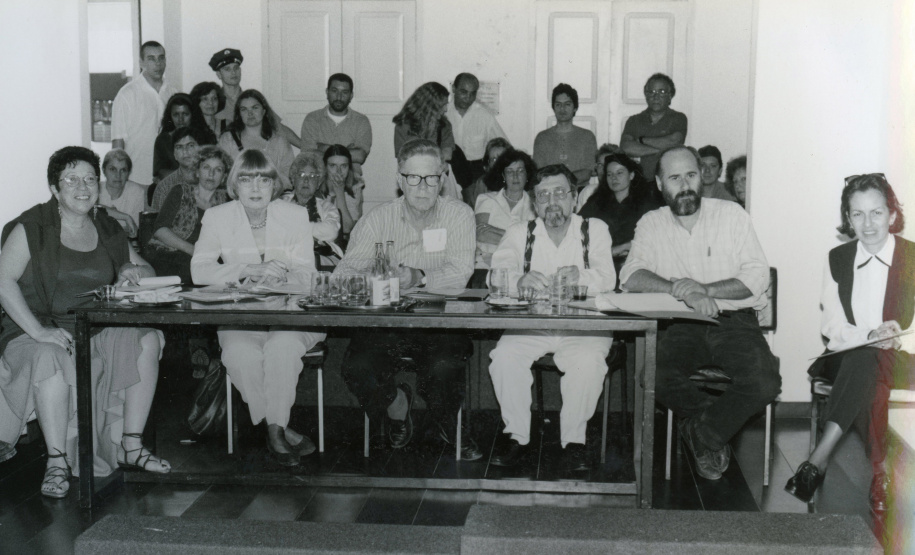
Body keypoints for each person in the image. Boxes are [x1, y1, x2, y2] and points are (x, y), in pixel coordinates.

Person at [0, 146, 170, 499]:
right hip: (36, 328)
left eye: (90, 179)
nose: (82, 187)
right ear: (54, 187)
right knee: (49, 355)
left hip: (93, 327)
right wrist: (39, 332)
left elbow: (148, 271)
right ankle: (57, 461)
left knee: (147, 338)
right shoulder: (32, 227)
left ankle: (131, 445)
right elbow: (3, 281)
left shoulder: (106, 226)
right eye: (71, 180)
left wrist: (130, 269)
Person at [620, 146, 780, 481]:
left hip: (735, 322)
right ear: (660, 184)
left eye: (691, 175)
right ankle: (712, 429)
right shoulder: (652, 223)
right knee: (653, 376)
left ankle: (700, 433)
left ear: (703, 177)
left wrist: (705, 290)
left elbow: (756, 276)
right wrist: (681, 290)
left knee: (765, 383)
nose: (685, 186)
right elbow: (630, 275)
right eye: (675, 178)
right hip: (681, 324)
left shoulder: (731, 214)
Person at [334, 139, 480, 460]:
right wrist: (375, 280)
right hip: (387, 320)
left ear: (443, 179)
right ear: (400, 179)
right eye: (414, 177)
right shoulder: (377, 219)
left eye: (431, 178)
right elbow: (343, 274)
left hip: (440, 320)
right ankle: (397, 405)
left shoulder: (459, 215)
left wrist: (418, 277)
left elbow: (460, 274)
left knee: (444, 366)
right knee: (357, 367)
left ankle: (445, 420)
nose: (423, 187)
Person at [786, 174, 914, 512]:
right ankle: (880, 475)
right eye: (858, 214)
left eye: (876, 212)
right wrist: (869, 337)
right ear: (848, 217)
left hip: (903, 357)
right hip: (848, 355)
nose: (867, 223)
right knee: (865, 360)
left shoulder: (913, 257)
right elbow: (832, 325)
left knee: (868, 366)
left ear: (892, 214)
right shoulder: (838, 258)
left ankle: (817, 460)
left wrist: (896, 335)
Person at [191, 149, 325, 467]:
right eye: (246, 179)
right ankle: (277, 427)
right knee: (239, 354)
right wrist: (246, 269)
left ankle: (274, 434)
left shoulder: (295, 215)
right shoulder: (217, 217)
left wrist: (283, 275)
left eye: (263, 180)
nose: (255, 188)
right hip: (242, 316)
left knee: (281, 348)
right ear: (233, 184)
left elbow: (308, 275)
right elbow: (199, 271)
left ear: (274, 185)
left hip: (292, 316)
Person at [487, 164, 617, 473]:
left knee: (587, 361)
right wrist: (519, 280)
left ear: (574, 197)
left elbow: (609, 278)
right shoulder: (520, 232)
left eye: (560, 193)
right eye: (543, 195)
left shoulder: (594, 229)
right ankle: (516, 436)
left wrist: (580, 276)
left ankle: (574, 442)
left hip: (584, 325)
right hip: (533, 322)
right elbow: (495, 276)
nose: (552, 202)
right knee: (504, 356)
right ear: (535, 202)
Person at [145, 145, 231, 283]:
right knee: (195, 272)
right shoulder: (180, 192)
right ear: (197, 171)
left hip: (204, 260)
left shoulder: (226, 202)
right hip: (168, 254)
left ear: (224, 177)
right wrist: (194, 251)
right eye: (206, 167)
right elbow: (160, 230)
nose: (211, 174)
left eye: (218, 169)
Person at [578, 152, 661, 275]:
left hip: (637, 265)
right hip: (602, 264)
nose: (614, 178)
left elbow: (656, 240)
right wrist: (616, 249)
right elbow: (577, 228)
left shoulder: (647, 202)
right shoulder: (596, 202)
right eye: (609, 174)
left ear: (631, 175)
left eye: (619, 173)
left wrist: (626, 247)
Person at [111, 41, 179, 188]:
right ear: (141, 62)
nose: (158, 63)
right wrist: (120, 178)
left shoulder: (173, 93)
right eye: (151, 58)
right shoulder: (127, 94)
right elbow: (118, 142)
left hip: (168, 178)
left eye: (161, 58)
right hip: (135, 178)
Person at [209, 48, 303, 150]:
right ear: (219, 74)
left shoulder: (252, 99)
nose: (233, 72)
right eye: (227, 69)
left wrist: (305, 147)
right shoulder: (212, 102)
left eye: (236, 68)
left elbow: (278, 127)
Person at [218, 89, 295, 190]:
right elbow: (221, 172)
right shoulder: (228, 140)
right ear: (239, 114)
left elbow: (289, 176)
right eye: (244, 109)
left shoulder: (279, 142)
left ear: (264, 111)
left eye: (255, 108)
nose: (250, 113)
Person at [474, 148, 537, 268]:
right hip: (484, 265)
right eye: (510, 171)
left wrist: (495, 231)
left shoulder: (535, 205)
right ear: (503, 175)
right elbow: (480, 234)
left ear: (527, 174)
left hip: (519, 265)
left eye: (520, 171)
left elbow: (534, 243)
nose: (515, 176)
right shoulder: (486, 199)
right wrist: (520, 239)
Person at [620, 73, 688, 180]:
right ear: (646, 95)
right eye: (651, 92)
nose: (656, 97)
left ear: (670, 96)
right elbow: (626, 147)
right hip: (639, 182)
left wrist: (641, 140)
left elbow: (674, 141)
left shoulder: (678, 118)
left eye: (662, 92)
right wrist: (660, 150)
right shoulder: (633, 120)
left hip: (668, 181)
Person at [299, 73, 373, 170]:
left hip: (350, 177)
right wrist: (348, 150)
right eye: (334, 91)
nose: (339, 97)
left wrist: (323, 148)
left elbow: (360, 156)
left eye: (344, 92)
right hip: (319, 176)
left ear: (351, 95)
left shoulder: (361, 121)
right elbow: (308, 155)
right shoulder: (312, 119)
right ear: (327, 92)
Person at [446, 73, 507, 181]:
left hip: (475, 171)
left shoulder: (484, 116)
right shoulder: (443, 113)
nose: (468, 98)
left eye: (473, 93)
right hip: (448, 170)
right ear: (454, 89)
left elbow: (504, 146)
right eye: (464, 92)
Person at [533, 83, 597, 185]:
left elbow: (587, 172)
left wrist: (562, 183)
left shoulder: (587, 137)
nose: (562, 109)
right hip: (550, 190)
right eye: (558, 104)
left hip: (579, 191)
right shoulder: (542, 138)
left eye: (567, 104)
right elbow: (540, 173)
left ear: (575, 108)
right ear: (553, 107)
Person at [153, 93, 216, 181]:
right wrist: (189, 176)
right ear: (170, 116)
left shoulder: (204, 137)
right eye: (176, 115)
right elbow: (161, 172)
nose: (180, 119)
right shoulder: (163, 140)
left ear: (192, 114)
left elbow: (212, 168)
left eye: (185, 114)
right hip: (172, 185)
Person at [150, 127, 209, 211]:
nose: (185, 151)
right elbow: (158, 218)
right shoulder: (165, 187)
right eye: (179, 147)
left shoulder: (211, 181)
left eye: (190, 145)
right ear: (174, 154)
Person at [393, 82, 455, 163]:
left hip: (435, 168)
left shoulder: (444, 126)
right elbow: (402, 157)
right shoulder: (403, 126)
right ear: (428, 106)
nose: (446, 109)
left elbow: (448, 155)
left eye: (446, 105)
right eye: (442, 106)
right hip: (412, 168)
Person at [98, 149, 147, 238]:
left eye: (123, 170)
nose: (118, 175)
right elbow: (93, 209)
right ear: (104, 170)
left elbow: (133, 231)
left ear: (128, 173)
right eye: (113, 169)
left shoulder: (136, 192)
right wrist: (125, 217)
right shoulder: (95, 189)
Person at [462, 137, 511, 209]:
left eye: (502, 158)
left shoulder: (515, 180)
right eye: (494, 159)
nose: (498, 163)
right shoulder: (482, 183)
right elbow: (477, 208)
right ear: (488, 163)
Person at [576, 143, 621, 212]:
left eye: (608, 164)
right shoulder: (588, 192)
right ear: (596, 168)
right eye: (600, 164)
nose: (603, 169)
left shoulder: (625, 194)